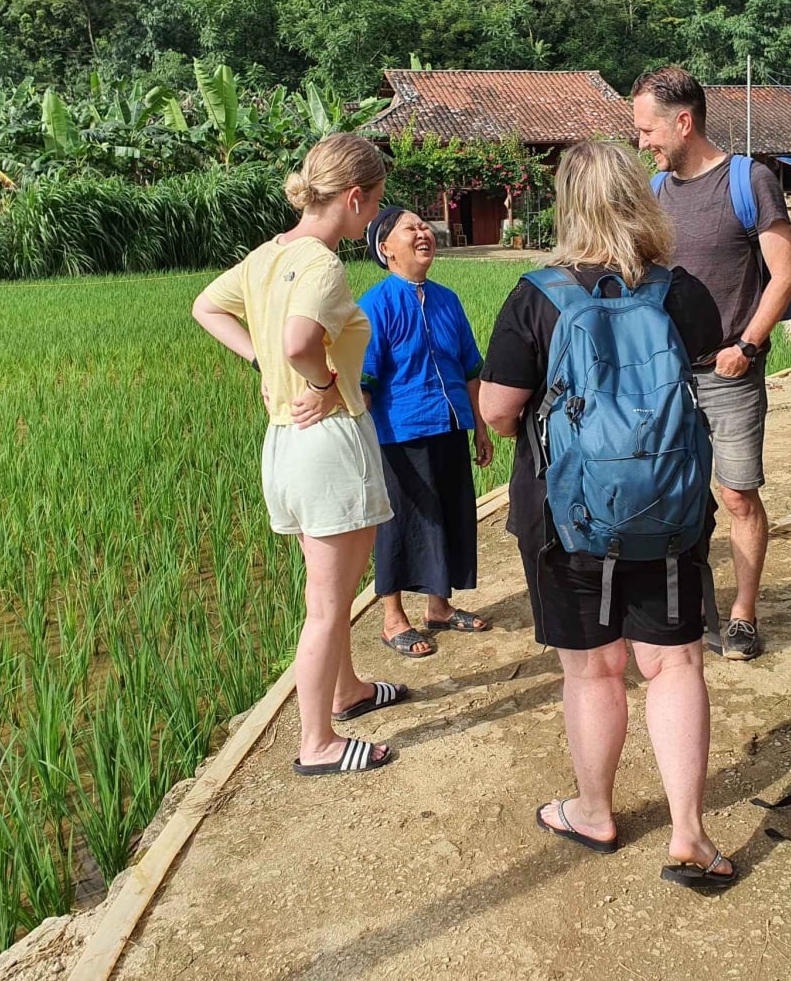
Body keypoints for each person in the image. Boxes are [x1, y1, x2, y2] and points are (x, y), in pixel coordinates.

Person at [478, 139, 735, 888]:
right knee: (675, 662)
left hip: (567, 516)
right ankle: (689, 832)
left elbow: (498, 412)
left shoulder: (538, 296)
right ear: (640, 200)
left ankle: (594, 811)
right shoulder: (680, 292)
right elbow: (698, 365)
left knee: (594, 670)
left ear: (569, 206)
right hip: (670, 507)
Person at [190, 132, 406, 777]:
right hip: (329, 443)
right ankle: (318, 743)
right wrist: (322, 381)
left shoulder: (268, 254)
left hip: (284, 443)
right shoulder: (322, 264)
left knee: (327, 590)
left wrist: (261, 362)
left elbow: (207, 307)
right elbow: (298, 341)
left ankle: (348, 690)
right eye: (377, 204)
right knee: (328, 605)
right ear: (355, 197)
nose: (375, 217)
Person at [632, 65, 791, 662]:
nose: (642, 142)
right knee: (669, 493)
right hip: (665, 379)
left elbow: (786, 275)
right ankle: (684, 604)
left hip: (729, 371)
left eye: (648, 130)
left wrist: (747, 347)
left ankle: (742, 614)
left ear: (684, 122)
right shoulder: (655, 192)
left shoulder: (748, 181)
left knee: (736, 495)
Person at [358, 206, 494, 658]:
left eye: (424, 226)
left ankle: (439, 607)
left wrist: (480, 428)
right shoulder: (376, 305)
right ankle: (392, 618)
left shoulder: (447, 300)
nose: (424, 232)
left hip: (450, 423)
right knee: (401, 521)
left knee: (451, 514)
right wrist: (360, 445)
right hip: (401, 432)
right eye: (410, 228)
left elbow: (470, 368)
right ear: (386, 249)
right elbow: (365, 382)